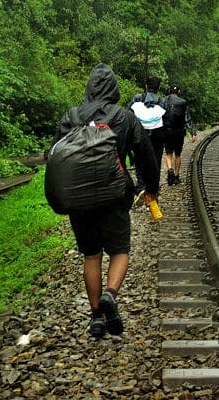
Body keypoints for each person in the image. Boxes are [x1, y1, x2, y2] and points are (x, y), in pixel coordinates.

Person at [52, 63, 160, 337]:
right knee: (120, 250)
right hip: (114, 196)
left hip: (79, 199)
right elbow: (146, 155)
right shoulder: (124, 117)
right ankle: (111, 294)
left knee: (91, 255)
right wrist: (149, 188)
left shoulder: (71, 116)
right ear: (114, 88)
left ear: (88, 88)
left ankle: (96, 317)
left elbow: (53, 155)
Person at [129, 76, 166, 203]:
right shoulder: (162, 101)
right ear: (159, 88)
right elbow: (167, 119)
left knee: (140, 159)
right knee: (156, 161)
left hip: (140, 134)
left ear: (146, 86)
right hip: (158, 135)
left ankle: (141, 187)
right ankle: (153, 190)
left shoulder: (137, 98)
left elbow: (129, 115)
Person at [162, 84, 197, 185]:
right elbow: (187, 118)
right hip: (179, 132)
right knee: (178, 154)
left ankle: (169, 170)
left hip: (167, 131)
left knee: (168, 154)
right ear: (179, 92)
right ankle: (176, 176)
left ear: (169, 91)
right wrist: (193, 133)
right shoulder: (183, 102)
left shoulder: (163, 100)